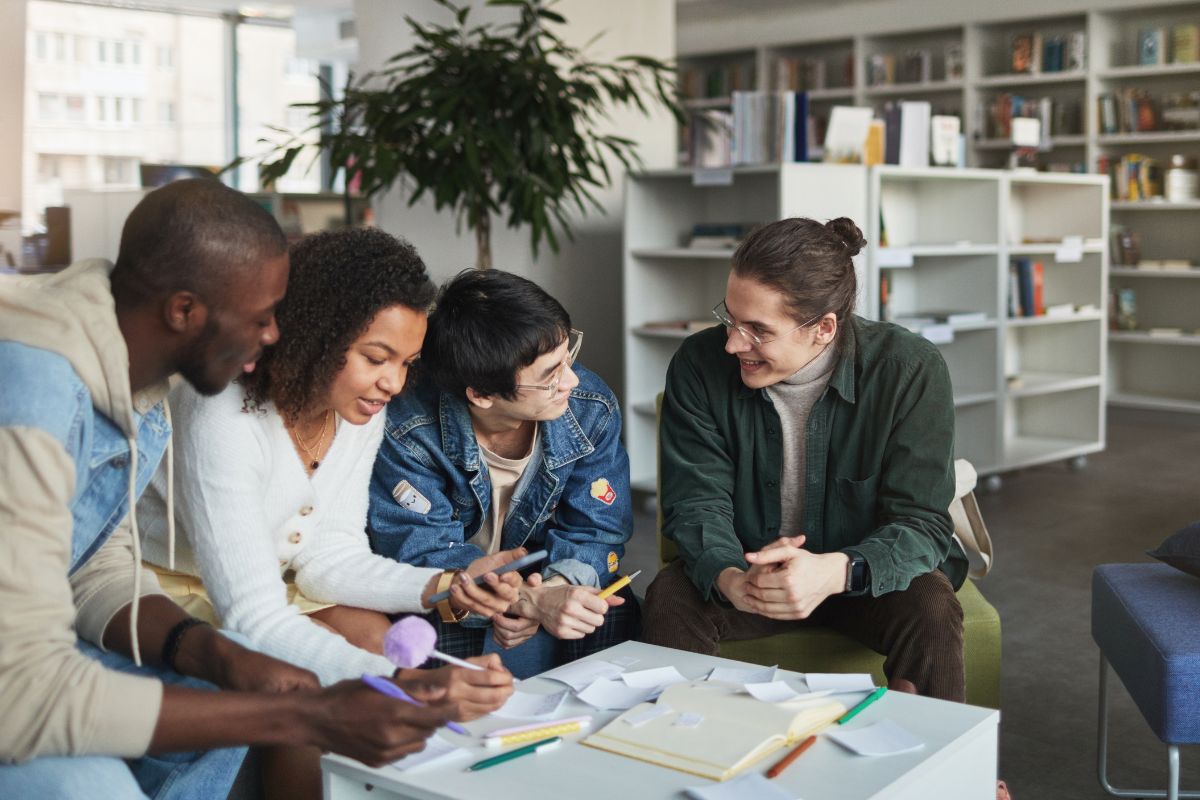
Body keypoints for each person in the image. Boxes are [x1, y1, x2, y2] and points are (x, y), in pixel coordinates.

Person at [0, 180, 511, 800]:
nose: (275, 334)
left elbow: (94, 563)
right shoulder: (37, 397)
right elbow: (23, 695)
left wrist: (208, 653)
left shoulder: (138, 383)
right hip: (24, 684)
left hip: (57, 653)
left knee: (244, 672)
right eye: (262, 317)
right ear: (184, 311)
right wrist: (307, 711)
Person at [642, 216, 969, 702]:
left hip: (863, 576)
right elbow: (695, 503)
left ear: (823, 329)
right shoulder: (698, 364)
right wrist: (733, 578)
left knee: (933, 605)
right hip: (750, 573)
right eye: (729, 318)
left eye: (757, 330)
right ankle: (675, 746)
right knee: (669, 597)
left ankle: (943, 768)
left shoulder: (908, 369)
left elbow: (920, 522)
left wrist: (836, 571)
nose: (733, 343)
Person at [369, 269, 639, 678]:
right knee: (432, 624)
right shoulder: (407, 426)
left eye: (568, 356)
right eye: (549, 375)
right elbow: (420, 553)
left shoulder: (589, 405)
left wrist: (552, 591)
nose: (571, 380)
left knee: (610, 609)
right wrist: (516, 602)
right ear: (481, 394)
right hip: (458, 581)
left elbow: (597, 530)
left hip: (544, 573)